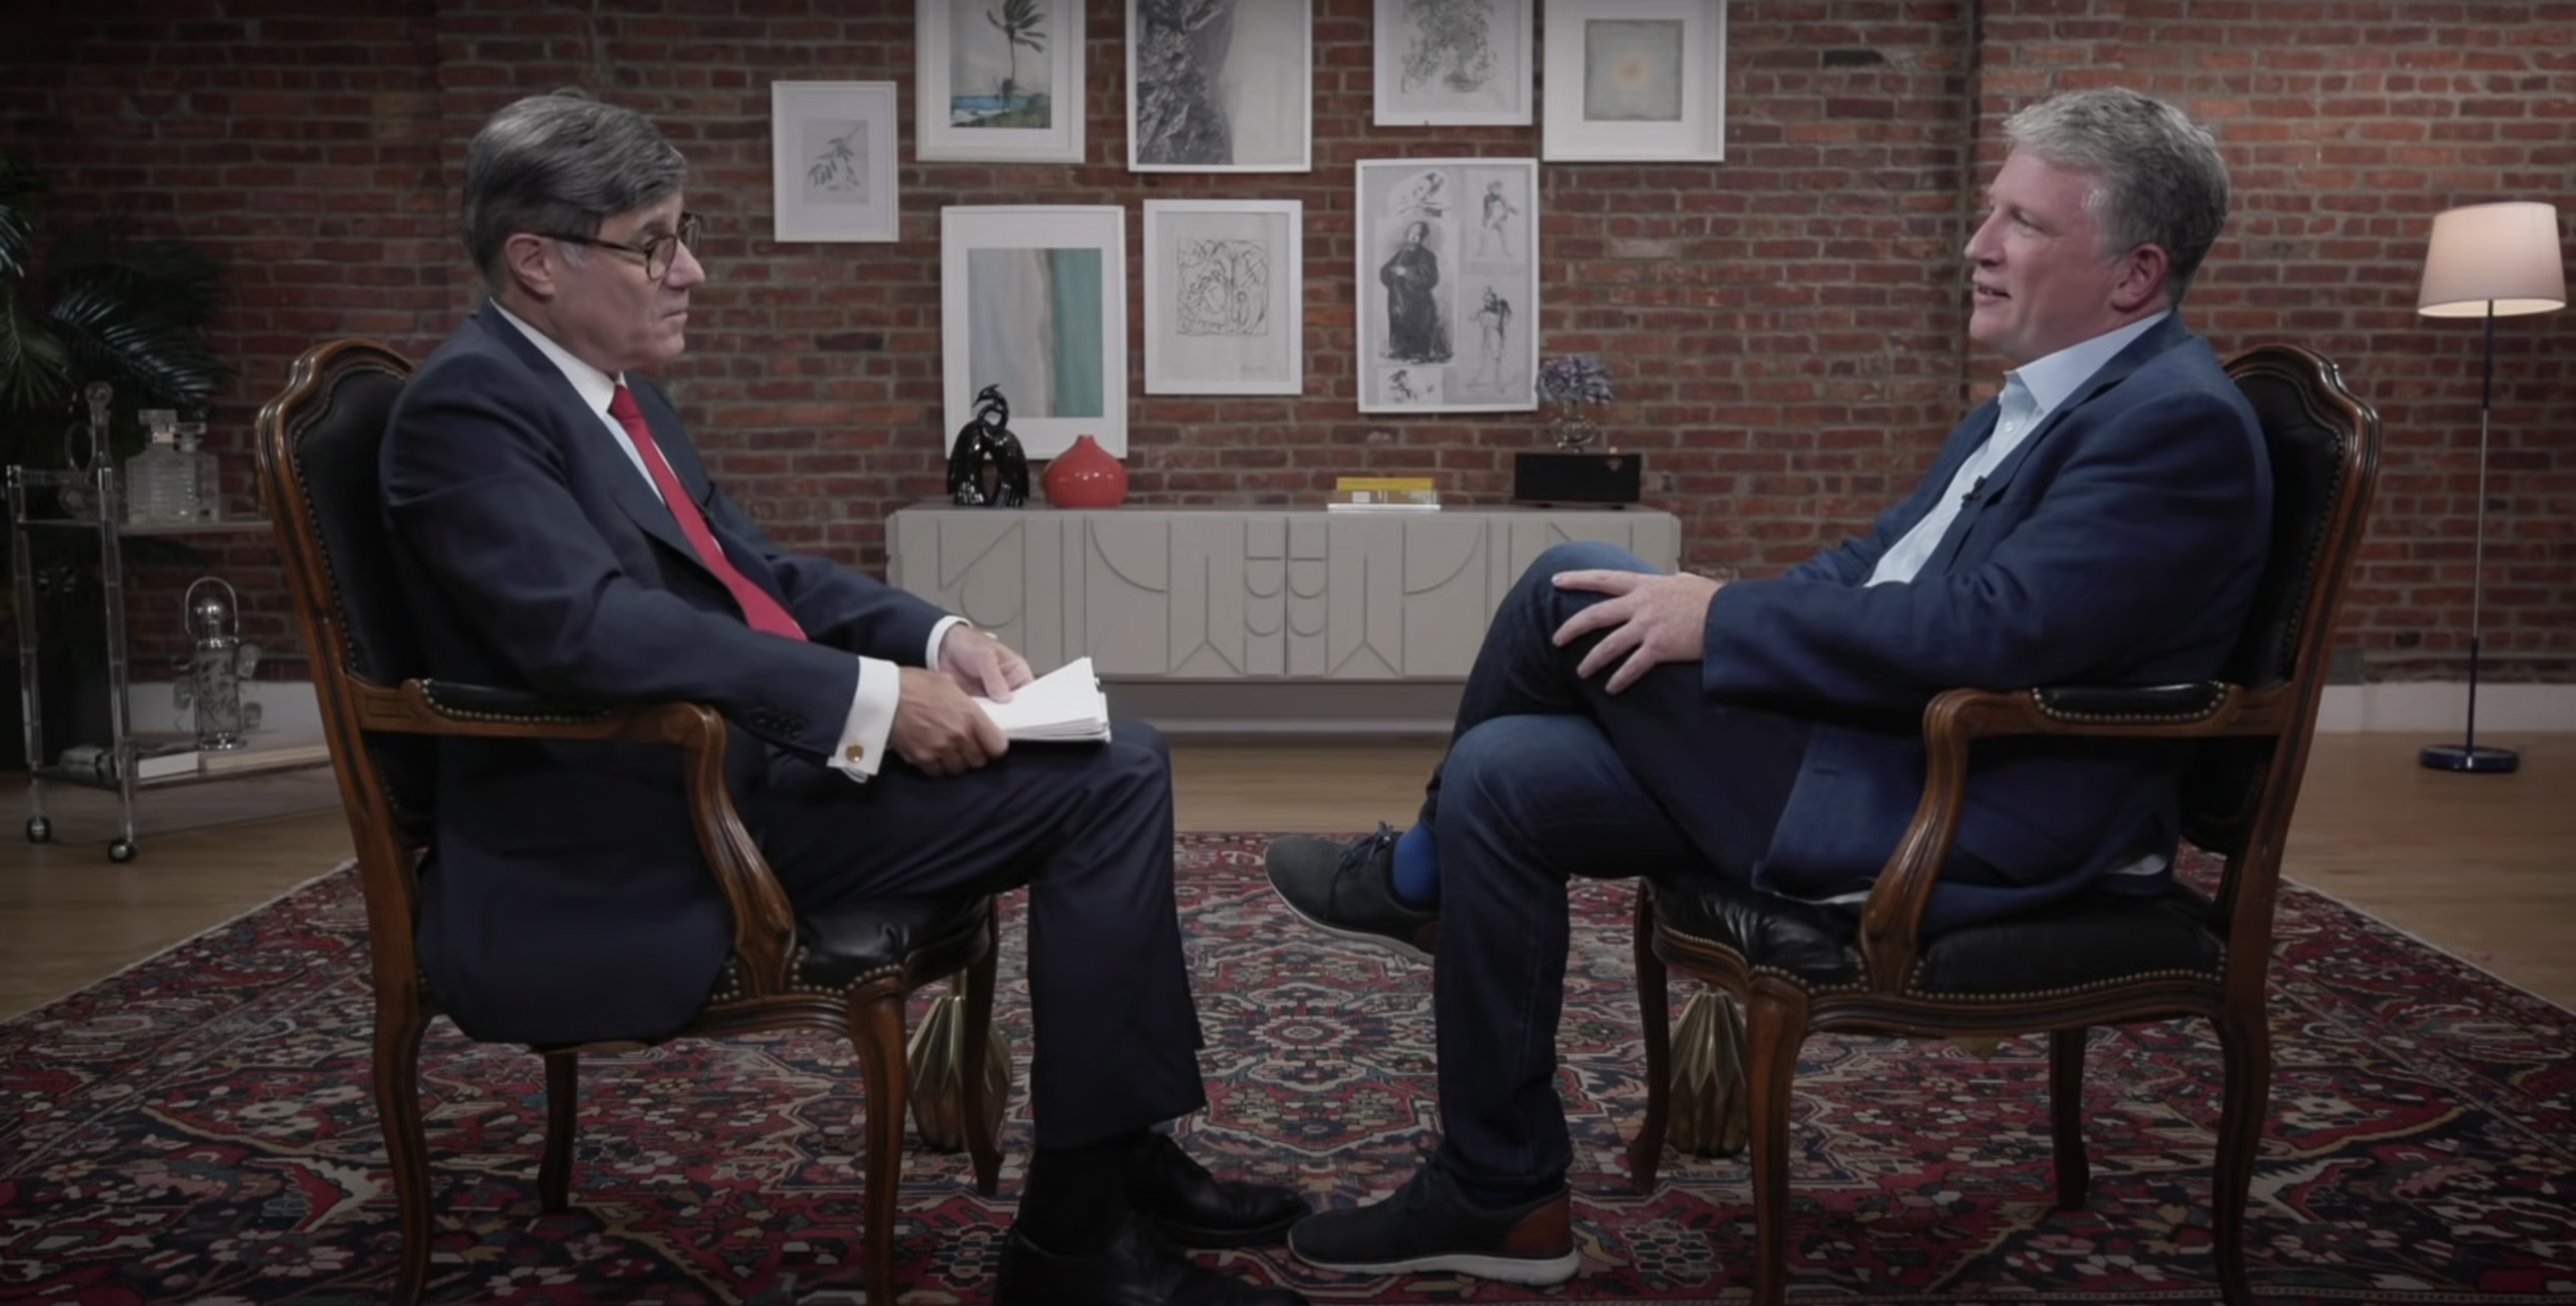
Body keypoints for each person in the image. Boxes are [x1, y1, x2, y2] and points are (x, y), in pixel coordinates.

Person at [1265, 86, 2268, 1287]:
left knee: (1562, 583)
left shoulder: (2174, 424)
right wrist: (1713, 605)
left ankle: (1412, 881)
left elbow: (1996, 632)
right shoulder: (2037, 403)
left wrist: (1723, 621)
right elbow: (1876, 567)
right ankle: (1502, 1193)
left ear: (2135, 273)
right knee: (1502, 773)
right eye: (1990, 211)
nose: (1979, 244)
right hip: (1886, 755)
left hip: (1971, 813)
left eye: (2025, 223)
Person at [383, 92, 1308, 1306]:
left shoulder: (613, 395)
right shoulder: (467, 410)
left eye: (684, 234)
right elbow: (588, 632)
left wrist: (939, 636)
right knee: (1112, 780)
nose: (691, 271)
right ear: (537, 262)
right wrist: (872, 699)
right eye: (654, 243)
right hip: (644, 821)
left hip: (741, 767)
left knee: (1119, 760)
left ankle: (1114, 1163)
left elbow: (757, 575)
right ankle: (1077, 1237)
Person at [1379, 220, 1449, 364]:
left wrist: (1406, 272)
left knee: (1419, 327)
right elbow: (1385, 272)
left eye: (1418, 234)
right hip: (1399, 301)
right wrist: (1391, 272)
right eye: (1411, 233)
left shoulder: (1427, 256)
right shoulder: (1401, 253)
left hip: (1418, 303)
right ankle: (1400, 352)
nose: (1414, 237)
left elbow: (1430, 279)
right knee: (1400, 327)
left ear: (1423, 237)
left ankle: (1420, 354)